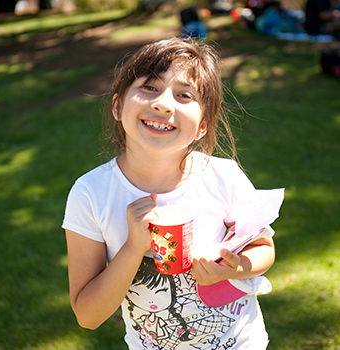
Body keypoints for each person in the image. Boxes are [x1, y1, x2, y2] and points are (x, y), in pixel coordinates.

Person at [62, 37, 276, 350]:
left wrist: (235, 267)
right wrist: (134, 248)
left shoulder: (224, 177)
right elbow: (88, 315)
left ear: (202, 126)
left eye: (184, 95)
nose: (163, 103)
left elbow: (264, 246)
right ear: (118, 105)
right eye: (149, 87)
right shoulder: (91, 194)